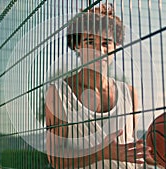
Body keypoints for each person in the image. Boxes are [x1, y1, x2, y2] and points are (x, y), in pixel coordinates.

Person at [45, 3, 153, 169]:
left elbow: (131, 150)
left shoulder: (129, 93)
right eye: (90, 41)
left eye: (106, 43)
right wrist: (101, 152)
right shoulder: (59, 93)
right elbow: (56, 160)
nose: (99, 51)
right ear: (77, 46)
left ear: (115, 46)